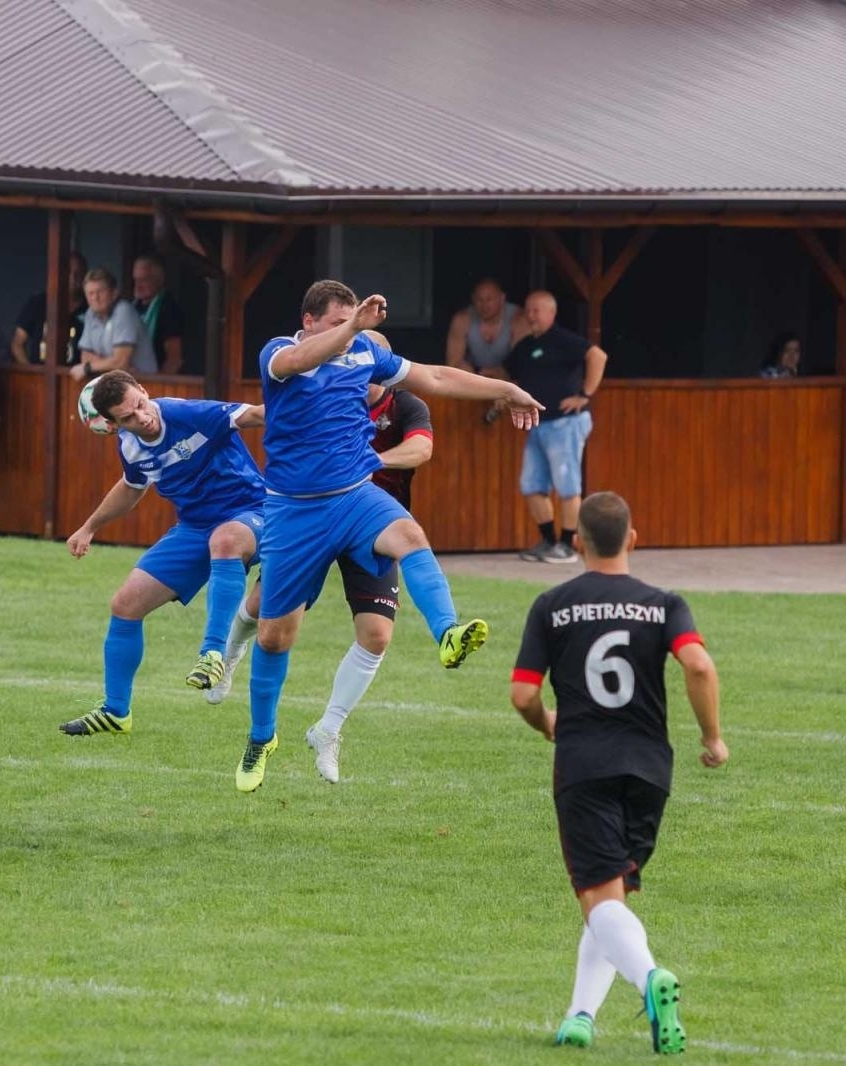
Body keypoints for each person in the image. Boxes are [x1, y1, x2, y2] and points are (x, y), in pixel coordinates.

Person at [234, 279, 542, 793]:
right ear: (309, 321)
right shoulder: (281, 352)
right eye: (335, 322)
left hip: (355, 493)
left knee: (410, 534)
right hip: (295, 510)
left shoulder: (364, 354)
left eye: (349, 322)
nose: (346, 331)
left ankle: (446, 633)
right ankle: (261, 737)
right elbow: (298, 362)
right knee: (275, 635)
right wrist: (353, 326)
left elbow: (437, 377)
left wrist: (505, 389)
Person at [510, 491, 727, 1054]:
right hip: (651, 768)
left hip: (584, 764)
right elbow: (698, 664)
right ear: (632, 539)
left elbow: (522, 693)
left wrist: (545, 724)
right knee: (610, 896)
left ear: (577, 542)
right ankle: (580, 1015)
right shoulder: (664, 603)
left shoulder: (552, 604)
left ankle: (651, 978)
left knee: (600, 897)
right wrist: (712, 737)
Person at [208, 380, 436, 784]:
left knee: (377, 636)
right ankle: (231, 650)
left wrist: (369, 462)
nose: (363, 376)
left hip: (373, 526)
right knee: (268, 621)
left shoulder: (406, 407)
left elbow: (422, 448)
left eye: (373, 370)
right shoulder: (325, 397)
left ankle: (328, 729)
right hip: (312, 521)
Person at [55, 370, 266, 737]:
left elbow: (255, 415)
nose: (142, 417)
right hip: (195, 527)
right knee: (125, 605)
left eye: (140, 405)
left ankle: (213, 654)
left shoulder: (190, 414)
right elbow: (132, 487)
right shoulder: (129, 444)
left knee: (226, 541)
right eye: (128, 418)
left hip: (253, 511)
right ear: (112, 424)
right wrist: (89, 526)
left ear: (143, 389)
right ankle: (116, 711)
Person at [505, 291, 608, 564]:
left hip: (566, 423)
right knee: (531, 485)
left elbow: (598, 356)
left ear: (552, 313)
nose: (531, 315)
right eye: (528, 310)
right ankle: (548, 541)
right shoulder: (525, 346)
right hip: (537, 423)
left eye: (537, 310)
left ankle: (567, 546)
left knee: (567, 486)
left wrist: (585, 395)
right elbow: (506, 372)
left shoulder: (564, 340)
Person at [72, 268, 157, 379]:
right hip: (119, 381)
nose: (95, 298)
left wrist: (88, 368)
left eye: (100, 292)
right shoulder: (90, 313)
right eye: (90, 293)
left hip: (146, 384)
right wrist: (113, 365)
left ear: (114, 293)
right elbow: (85, 356)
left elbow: (121, 361)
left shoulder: (124, 311)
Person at [9, 252, 87, 365]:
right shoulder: (38, 302)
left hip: (76, 378)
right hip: (39, 377)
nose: (73, 277)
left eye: (78, 273)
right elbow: (17, 344)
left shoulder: (91, 307)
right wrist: (32, 373)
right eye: (68, 271)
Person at [445, 278, 528, 377]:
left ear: (502, 298)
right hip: (473, 378)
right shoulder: (463, 319)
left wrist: (499, 374)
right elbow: (452, 365)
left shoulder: (518, 319)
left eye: (489, 299)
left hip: (505, 381)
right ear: (473, 300)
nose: (484, 305)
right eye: (479, 300)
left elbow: (520, 366)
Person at [132, 254, 186, 374]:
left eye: (143, 280)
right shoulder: (132, 307)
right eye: (135, 280)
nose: (137, 286)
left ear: (159, 280)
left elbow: (174, 360)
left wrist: (156, 386)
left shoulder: (169, 310)